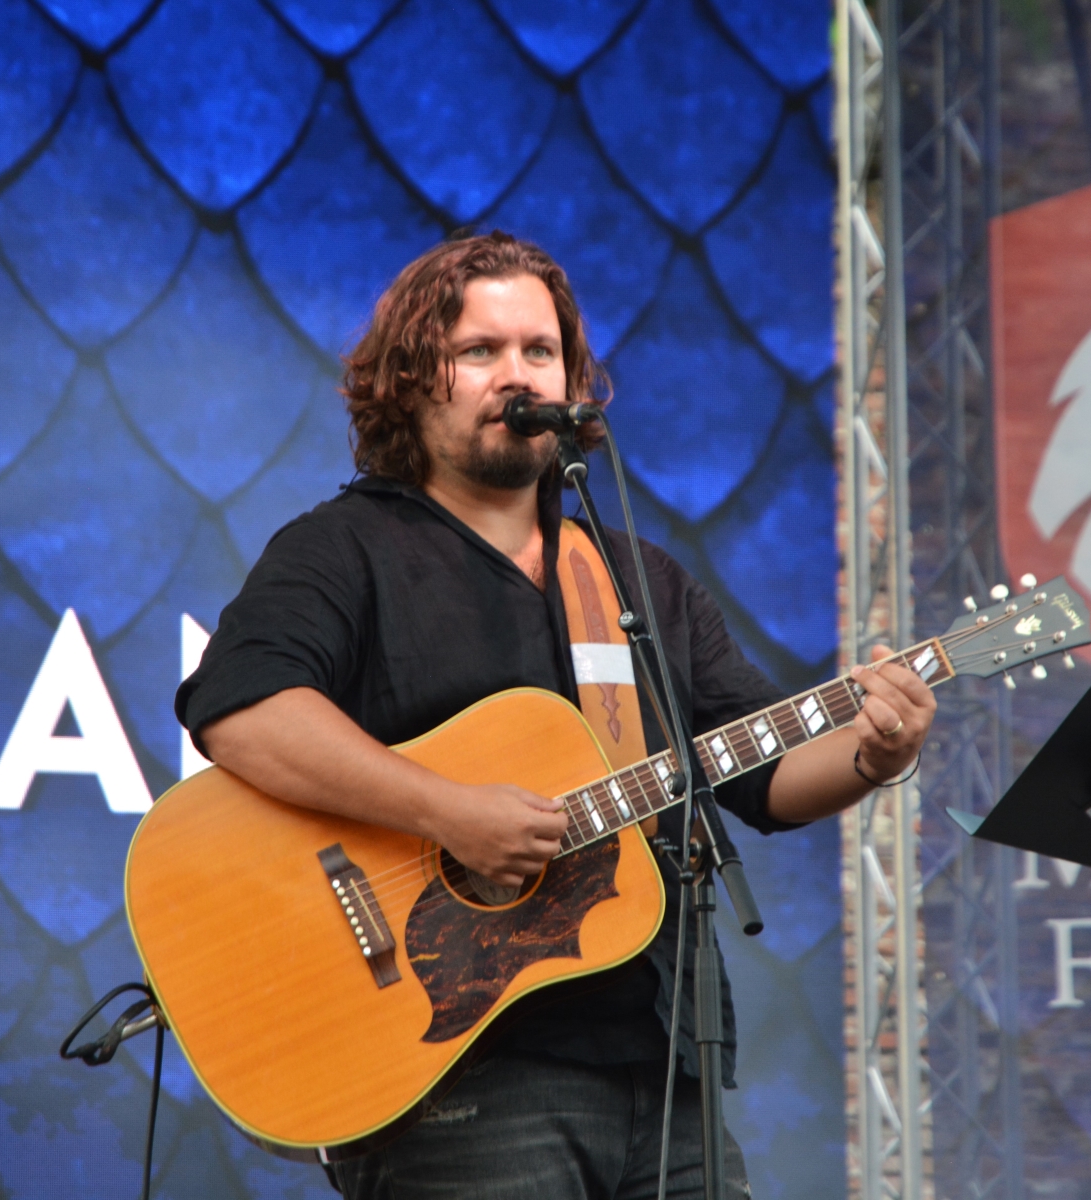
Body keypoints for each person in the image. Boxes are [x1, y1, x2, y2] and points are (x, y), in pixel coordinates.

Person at [175, 232, 936, 1199]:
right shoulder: (343, 549)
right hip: (459, 1069)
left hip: (662, 1068)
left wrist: (878, 752)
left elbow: (764, 778)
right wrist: (446, 814)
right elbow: (243, 711)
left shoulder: (634, 578)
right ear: (412, 381)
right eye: (480, 352)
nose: (517, 374)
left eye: (539, 352)